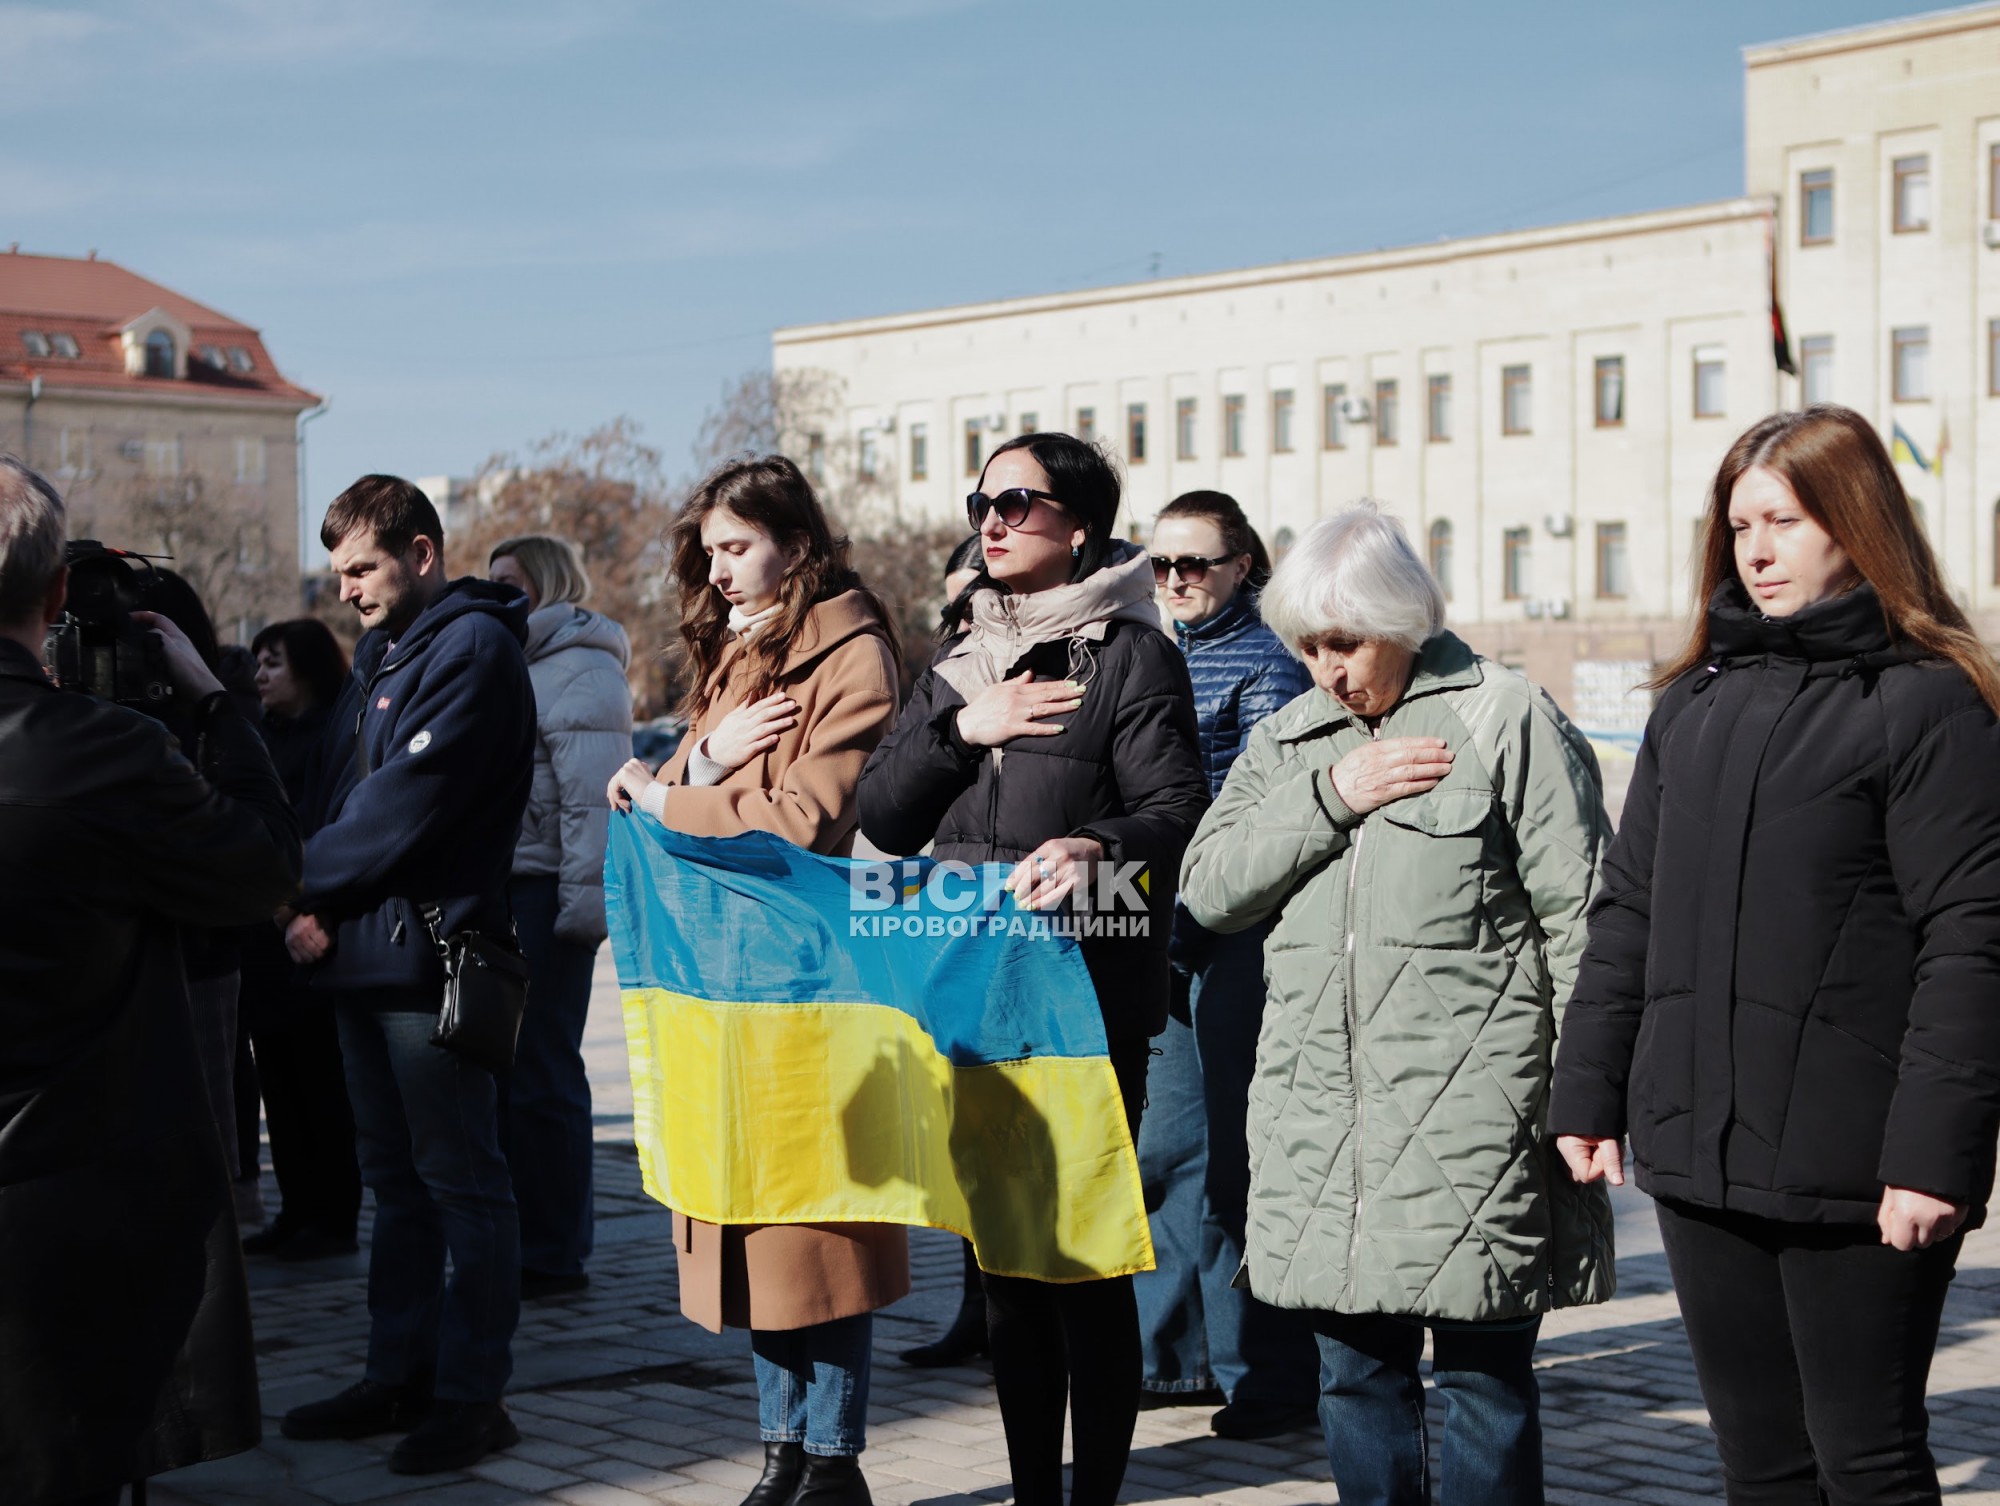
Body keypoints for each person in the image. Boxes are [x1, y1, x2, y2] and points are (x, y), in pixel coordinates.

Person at [1549, 405, 2000, 1506]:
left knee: (1868, 1463)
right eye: (1739, 521)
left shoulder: (1925, 702)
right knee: (1758, 1466)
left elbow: (1970, 938)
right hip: (1699, 1152)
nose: (1755, 548)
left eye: (1784, 521)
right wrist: (1588, 1089)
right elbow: (1629, 912)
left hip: (1858, 1166)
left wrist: (1930, 1156)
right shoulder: (1691, 706)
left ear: (1853, 526)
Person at [1179, 502, 1615, 1506]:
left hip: (1474, 1123)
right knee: (1352, 1378)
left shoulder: (1505, 716)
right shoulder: (1291, 740)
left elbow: (1580, 914)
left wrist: (1586, 1093)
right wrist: (1330, 792)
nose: (1327, 668)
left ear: (1403, 621)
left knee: (1479, 1384)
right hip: (1319, 1130)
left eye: (1347, 641)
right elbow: (1206, 889)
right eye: (1309, 645)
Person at [858, 431, 1209, 1506]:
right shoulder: (957, 658)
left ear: (1081, 528)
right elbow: (880, 813)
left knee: (1084, 1269)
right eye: (983, 500)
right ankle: (1029, 1491)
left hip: (1088, 999)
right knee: (1004, 1273)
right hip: (973, 1000)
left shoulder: (1130, 655)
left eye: (1019, 500)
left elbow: (1176, 809)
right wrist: (968, 725)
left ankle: (1091, 1495)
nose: (992, 519)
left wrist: (1096, 846)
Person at [0, 457, 301, 1505]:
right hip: (73, 1195)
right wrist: (219, 707)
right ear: (53, 599)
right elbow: (263, 865)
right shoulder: (104, 752)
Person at [606, 454, 904, 1506]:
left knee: (815, 1227)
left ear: (794, 540)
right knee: (747, 1219)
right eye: (708, 552)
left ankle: (833, 1457)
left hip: (808, 984)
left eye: (735, 547)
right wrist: (690, 768)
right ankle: (780, 1450)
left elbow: (798, 826)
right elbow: (676, 786)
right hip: (724, 980)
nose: (717, 570)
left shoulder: (850, 655)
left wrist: (671, 794)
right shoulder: (740, 649)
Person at [278, 475, 537, 1476]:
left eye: (361, 568)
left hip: (431, 960)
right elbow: (341, 796)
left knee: (463, 1183)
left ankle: (472, 1397)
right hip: (364, 955)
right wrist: (309, 904)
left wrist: (294, 888)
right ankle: (399, 1373)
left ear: (422, 554)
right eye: (336, 571)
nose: (342, 590)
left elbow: (403, 805)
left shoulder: (472, 647)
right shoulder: (385, 650)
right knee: (395, 1184)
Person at [1138, 490, 1319, 1438]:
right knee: (1167, 1153)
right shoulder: (1160, 652)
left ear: (1244, 564)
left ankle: (1271, 1371)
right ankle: (1172, 1362)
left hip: (1235, 938)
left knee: (1241, 1166)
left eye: (1194, 564)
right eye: (1161, 565)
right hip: (1161, 937)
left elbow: (1262, 824)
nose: (1174, 582)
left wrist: (1202, 926)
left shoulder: (1271, 668)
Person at [487, 534, 633, 1299]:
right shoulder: (510, 659)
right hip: (508, 888)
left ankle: (555, 1253)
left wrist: (583, 914)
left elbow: (592, 804)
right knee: (511, 1073)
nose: (497, 595)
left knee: (545, 1073)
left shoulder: (579, 664)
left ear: (546, 583)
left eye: (511, 582)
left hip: (549, 894)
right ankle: (526, 1241)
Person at [896, 527, 996, 1373]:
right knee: (963, 1133)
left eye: (979, 594)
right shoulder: (942, 680)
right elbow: (892, 798)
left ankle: (1028, 1320)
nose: (966, 609)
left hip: (1035, 924)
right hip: (948, 912)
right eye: (956, 598)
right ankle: (977, 1309)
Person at [240, 618, 363, 1261]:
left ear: (309, 669)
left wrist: (302, 914)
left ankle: (332, 1216)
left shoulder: (332, 739)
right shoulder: (260, 739)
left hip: (316, 931)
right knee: (279, 1085)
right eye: (257, 662)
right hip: (268, 932)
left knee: (321, 1083)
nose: (260, 675)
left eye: (274, 663)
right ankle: (295, 1209)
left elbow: (330, 831)